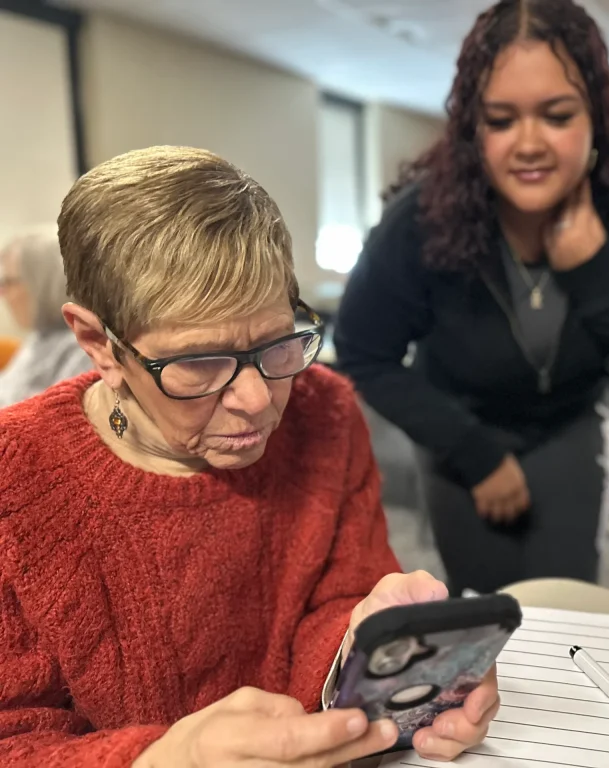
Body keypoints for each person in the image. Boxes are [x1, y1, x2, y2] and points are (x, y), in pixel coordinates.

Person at [0, 146, 498, 766]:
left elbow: (334, 601)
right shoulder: (13, 478)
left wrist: (373, 652)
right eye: (199, 363)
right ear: (99, 343)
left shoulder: (326, 413)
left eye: (279, 344)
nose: (259, 399)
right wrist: (155, 759)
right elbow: (14, 736)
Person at [335, 0, 609, 595]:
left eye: (556, 115)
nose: (528, 143)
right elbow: (360, 351)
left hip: (571, 425)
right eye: (501, 120)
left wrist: (593, 272)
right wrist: (474, 453)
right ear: (473, 127)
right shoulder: (422, 219)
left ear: (597, 118)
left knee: (565, 607)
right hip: (463, 433)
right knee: (480, 610)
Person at [0, 232, 92, 408]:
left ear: (43, 283)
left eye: (9, 282)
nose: (4, 295)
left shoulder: (83, 345)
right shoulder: (40, 336)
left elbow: (58, 418)